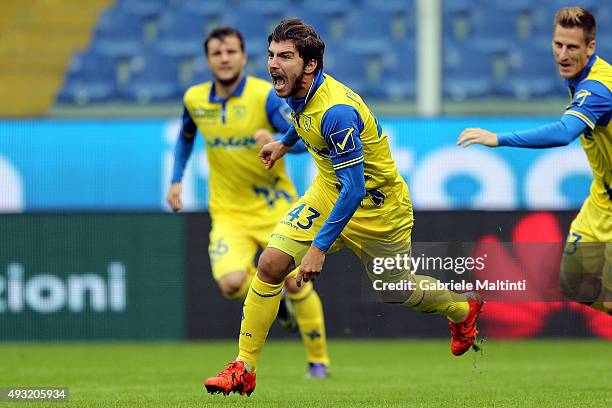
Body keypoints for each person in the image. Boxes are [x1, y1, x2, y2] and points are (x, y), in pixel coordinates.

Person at [204, 19, 484, 397]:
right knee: (271, 264)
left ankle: (462, 310)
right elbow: (304, 119)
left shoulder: (337, 111)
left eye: (284, 56)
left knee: (395, 290)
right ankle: (244, 367)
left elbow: (354, 190)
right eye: (271, 55)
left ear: (310, 65)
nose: (273, 64)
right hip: (326, 192)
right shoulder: (300, 90)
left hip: (377, 208)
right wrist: (285, 143)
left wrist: (318, 248)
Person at [167, 27, 330, 379]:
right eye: (216, 53)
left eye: (231, 52)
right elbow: (185, 137)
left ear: (243, 57)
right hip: (229, 212)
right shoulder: (195, 99)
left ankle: (318, 362)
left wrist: (275, 139)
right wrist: (176, 179)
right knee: (230, 283)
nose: (224, 59)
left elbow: (302, 140)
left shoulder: (265, 95)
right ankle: (274, 300)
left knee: (294, 281)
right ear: (208, 59)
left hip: (275, 205)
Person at [457, 8, 611, 315]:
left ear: (590, 47)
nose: (563, 55)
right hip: (602, 199)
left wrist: (499, 138)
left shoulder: (598, 88)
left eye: (573, 47)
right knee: (575, 284)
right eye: (558, 45)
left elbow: (565, 131)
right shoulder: (583, 81)